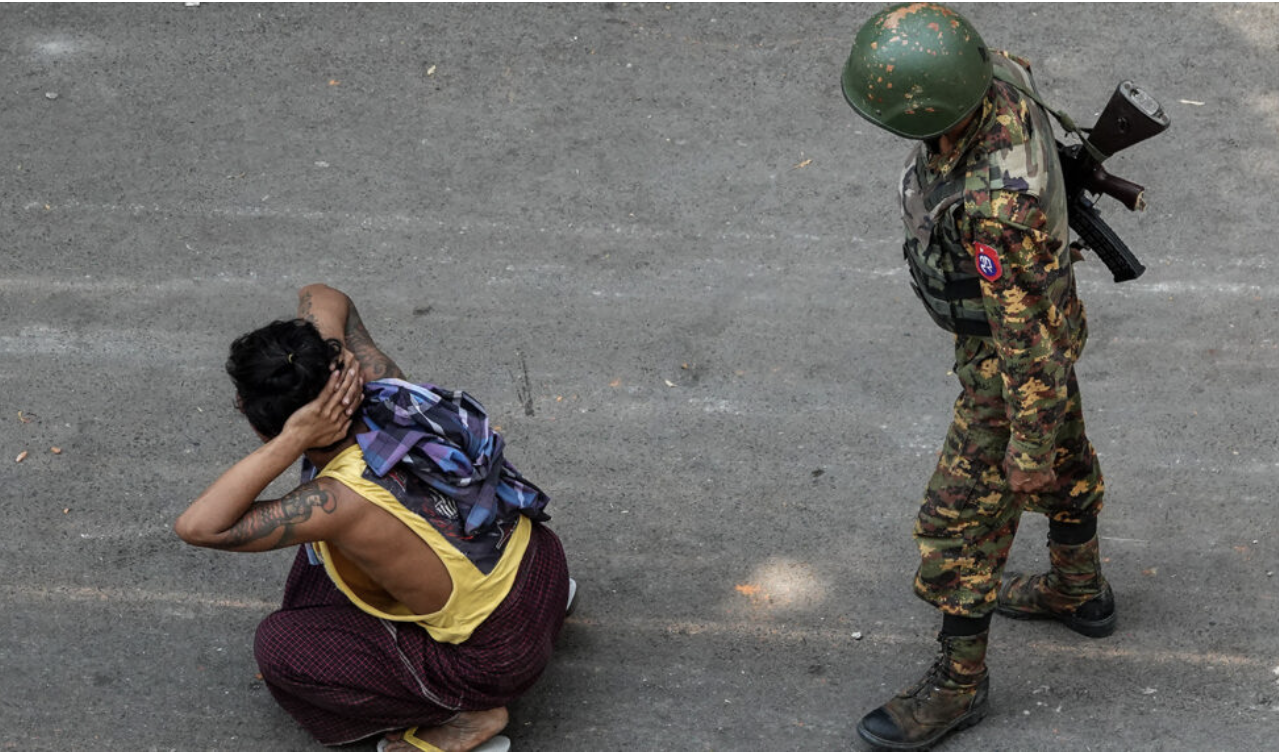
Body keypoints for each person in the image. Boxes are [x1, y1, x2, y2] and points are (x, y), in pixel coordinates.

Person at [839, 3, 1116, 749]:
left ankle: (957, 686)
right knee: (1064, 449)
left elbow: (1024, 344)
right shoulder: (990, 72)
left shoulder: (997, 209)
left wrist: (1023, 445)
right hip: (1041, 322)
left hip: (1011, 358)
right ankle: (1077, 588)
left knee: (957, 523)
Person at [175, 283, 573, 753]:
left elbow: (200, 526)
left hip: (499, 658)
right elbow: (323, 293)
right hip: (544, 568)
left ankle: (468, 715)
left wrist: (294, 438)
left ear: (262, 421)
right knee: (321, 567)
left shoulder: (337, 502)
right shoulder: (385, 388)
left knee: (282, 646)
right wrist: (333, 358)